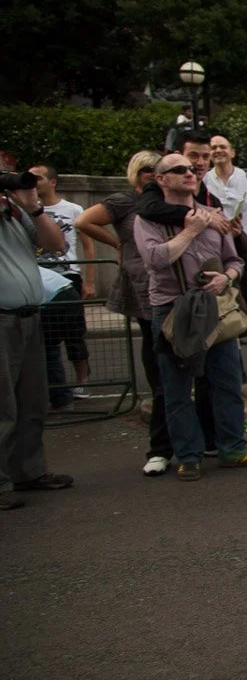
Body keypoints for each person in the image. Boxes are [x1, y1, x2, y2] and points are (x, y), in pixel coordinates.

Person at [134, 153, 247, 480]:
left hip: (214, 309)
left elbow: (235, 260)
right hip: (173, 309)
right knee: (177, 387)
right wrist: (190, 231)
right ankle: (188, 455)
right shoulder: (149, 220)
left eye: (191, 169)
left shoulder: (214, 216)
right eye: (178, 169)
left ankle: (233, 448)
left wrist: (228, 277)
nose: (189, 173)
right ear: (161, 179)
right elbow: (155, 259)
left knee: (227, 381)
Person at [75, 151, 174, 475]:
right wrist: (118, 244)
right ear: (135, 172)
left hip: (172, 287)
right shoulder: (124, 201)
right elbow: (83, 221)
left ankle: (191, 438)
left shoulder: (168, 200)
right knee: (158, 365)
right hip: (142, 287)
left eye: (156, 169)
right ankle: (160, 447)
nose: (151, 174)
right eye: (146, 169)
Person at [1, 173, 75, 510]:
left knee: (32, 401)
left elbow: (56, 244)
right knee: (2, 407)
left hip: (29, 316)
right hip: (2, 317)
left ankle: (28, 471)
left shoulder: (15, 211)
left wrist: (34, 208)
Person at [29, 163, 92, 402]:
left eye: (38, 178)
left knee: (75, 334)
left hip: (68, 275)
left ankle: (82, 382)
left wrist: (89, 280)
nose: (34, 182)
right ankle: (56, 391)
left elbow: (87, 245)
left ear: (53, 181)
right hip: (39, 275)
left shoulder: (73, 209)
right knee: (47, 338)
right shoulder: (24, 209)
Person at [204, 135, 247, 346]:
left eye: (223, 147)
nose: (218, 151)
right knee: (226, 308)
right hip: (219, 253)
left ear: (232, 152)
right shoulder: (204, 181)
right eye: (213, 147)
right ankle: (234, 353)